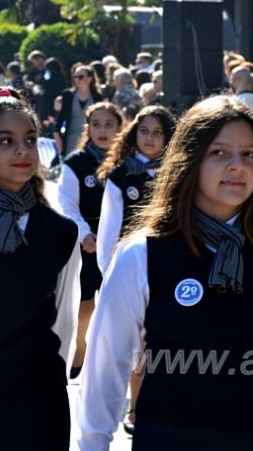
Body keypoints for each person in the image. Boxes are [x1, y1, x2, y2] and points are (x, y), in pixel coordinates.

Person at [77, 95, 253, 450]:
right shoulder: (141, 254)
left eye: (249, 154)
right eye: (219, 153)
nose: (237, 165)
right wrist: (93, 444)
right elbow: (106, 365)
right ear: (189, 160)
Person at [0, 87, 81, 450]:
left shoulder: (60, 230)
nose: (22, 151)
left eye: (30, 139)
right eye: (5, 141)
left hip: (38, 400)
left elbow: (65, 320)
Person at [57, 102, 122, 379]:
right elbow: (67, 202)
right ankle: (80, 347)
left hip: (121, 245)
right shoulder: (76, 162)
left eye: (109, 125)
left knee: (117, 304)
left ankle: (110, 359)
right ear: (87, 128)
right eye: (96, 124)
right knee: (86, 303)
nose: (102, 130)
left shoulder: (126, 163)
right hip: (88, 244)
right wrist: (84, 232)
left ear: (120, 128)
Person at [96, 105, 176, 275]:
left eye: (157, 132)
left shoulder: (176, 174)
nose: (149, 137)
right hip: (130, 262)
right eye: (144, 131)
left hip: (169, 261)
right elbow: (109, 227)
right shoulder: (120, 175)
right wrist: (107, 270)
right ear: (135, 133)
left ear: (168, 136)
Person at [55, 64, 104, 156]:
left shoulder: (97, 97)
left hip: (91, 139)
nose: (77, 80)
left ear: (89, 78)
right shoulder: (68, 95)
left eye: (80, 77)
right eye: (75, 77)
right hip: (71, 138)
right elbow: (60, 118)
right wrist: (57, 135)